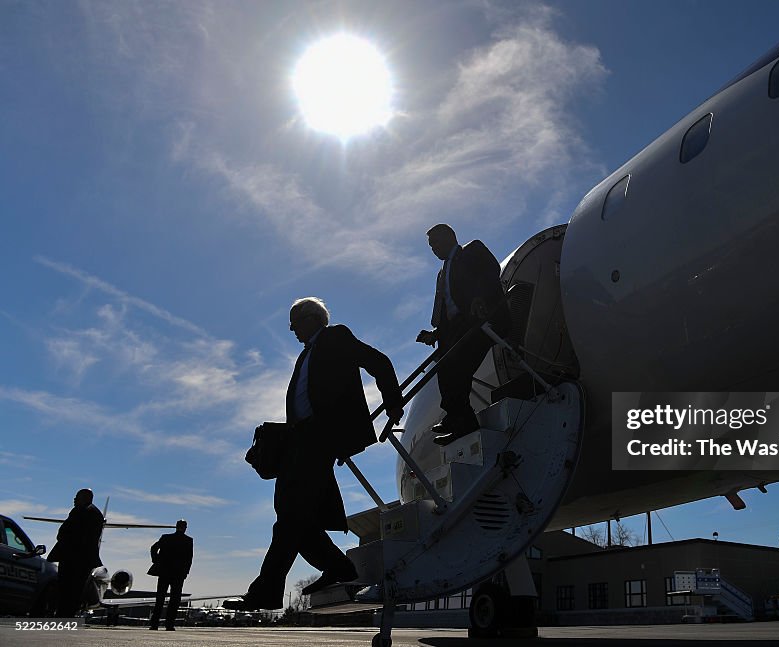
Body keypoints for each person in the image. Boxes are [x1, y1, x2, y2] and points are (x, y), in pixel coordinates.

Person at [226, 297, 404, 611]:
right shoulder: (305, 354)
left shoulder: (335, 337)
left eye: (295, 322)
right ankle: (340, 568)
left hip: (318, 438)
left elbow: (378, 361)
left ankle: (268, 590)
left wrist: (393, 401)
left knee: (289, 515)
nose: (292, 329)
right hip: (300, 440)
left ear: (312, 318)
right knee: (292, 517)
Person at [416, 224, 510, 445]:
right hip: (457, 329)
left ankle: (461, 420)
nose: (434, 249)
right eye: (431, 246)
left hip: (481, 320)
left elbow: (490, 272)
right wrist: (435, 334)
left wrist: (480, 297)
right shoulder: (442, 273)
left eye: (436, 243)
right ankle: (456, 417)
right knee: (445, 364)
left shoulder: (472, 251)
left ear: (449, 237)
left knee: (456, 366)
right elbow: (449, 309)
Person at [48, 488, 104, 617]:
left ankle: (63, 615)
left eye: (77, 497)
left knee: (67, 589)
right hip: (83, 559)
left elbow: (66, 532)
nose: (74, 500)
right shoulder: (95, 513)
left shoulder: (82, 511)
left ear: (85, 498)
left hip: (72, 558)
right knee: (75, 591)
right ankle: (66, 615)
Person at [148, 519, 193, 631]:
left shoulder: (166, 538)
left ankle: (154, 624)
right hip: (178, 574)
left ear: (176, 526)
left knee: (160, 598)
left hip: (164, 572)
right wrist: (185, 572)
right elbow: (189, 559)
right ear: (185, 528)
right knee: (174, 600)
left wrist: (156, 560)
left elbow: (154, 548)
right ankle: (169, 624)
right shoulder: (188, 540)